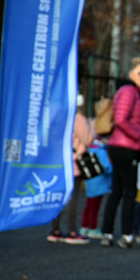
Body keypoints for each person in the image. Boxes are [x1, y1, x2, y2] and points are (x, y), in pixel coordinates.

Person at [100, 58, 140, 249]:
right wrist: (137, 135)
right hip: (125, 147)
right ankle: (126, 234)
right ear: (131, 74)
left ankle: (108, 232)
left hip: (121, 146)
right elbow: (121, 119)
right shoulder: (129, 92)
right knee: (130, 192)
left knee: (117, 191)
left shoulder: (133, 93)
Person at [47, 94, 94, 244]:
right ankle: (72, 232)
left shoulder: (56, 115)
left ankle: (55, 230)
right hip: (73, 161)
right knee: (71, 198)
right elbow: (88, 139)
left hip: (58, 160)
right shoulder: (77, 118)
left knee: (58, 196)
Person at [79, 136, 112, 239]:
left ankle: (84, 227)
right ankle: (93, 228)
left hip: (89, 182)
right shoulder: (100, 151)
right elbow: (106, 167)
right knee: (95, 207)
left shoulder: (88, 148)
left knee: (88, 206)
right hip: (99, 183)